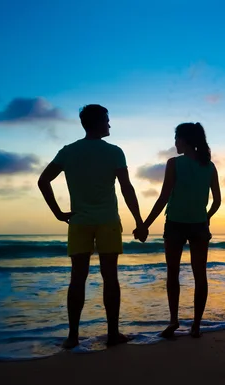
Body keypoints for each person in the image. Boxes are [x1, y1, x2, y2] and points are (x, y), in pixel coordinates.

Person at [37, 104, 148, 349]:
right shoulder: (114, 152)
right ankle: (112, 334)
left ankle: (73, 336)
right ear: (97, 123)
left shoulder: (68, 151)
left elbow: (43, 180)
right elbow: (126, 188)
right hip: (107, 221)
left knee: (77, 279)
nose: (109, 125)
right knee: (110, 278)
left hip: (78, 221)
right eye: (107, 120)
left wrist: (57, 213)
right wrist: (139, 221)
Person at [135, 122, 221, 338]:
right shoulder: (209, 167)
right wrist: (206, 218)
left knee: (172, 273)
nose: (175, 143)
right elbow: (217, 201)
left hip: (174, 224)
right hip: (199, 226)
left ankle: (174, 320)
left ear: (185, 140)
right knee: (199, 275)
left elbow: (164, 198)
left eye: (177, 139)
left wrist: (145, 224)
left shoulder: (174, 164)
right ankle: (196, 326)